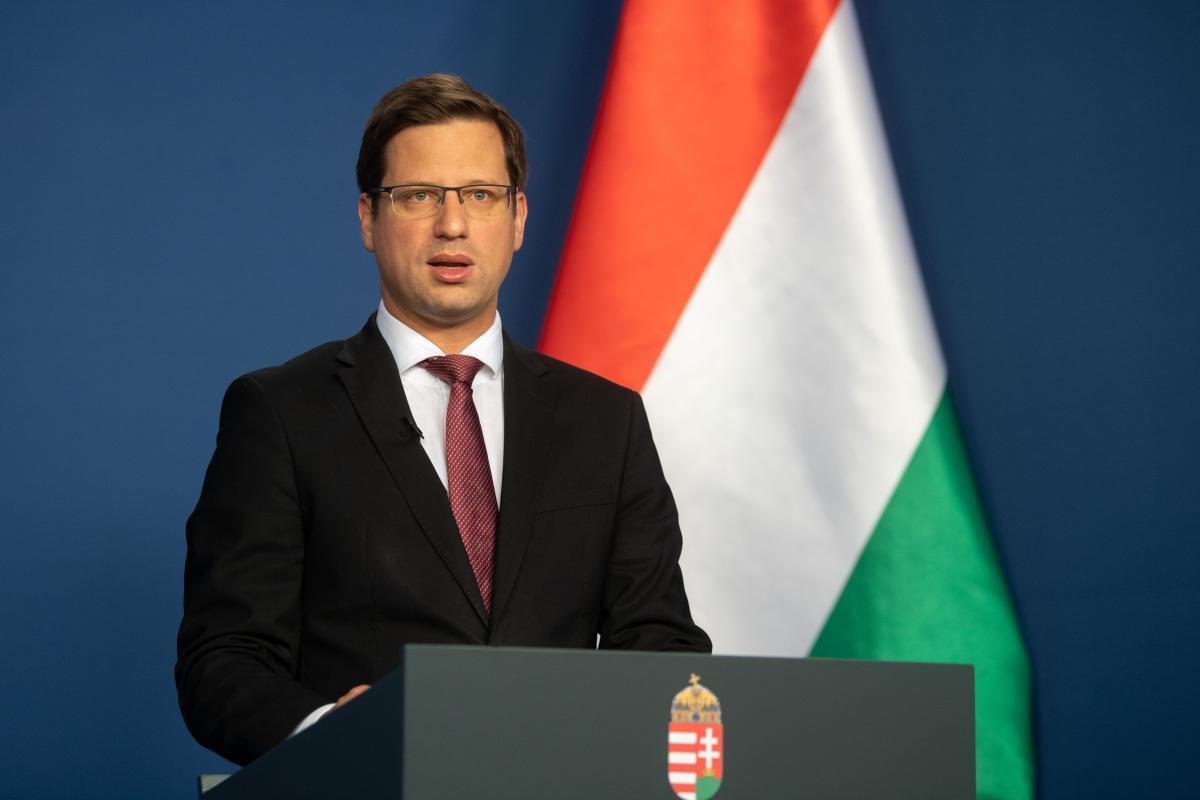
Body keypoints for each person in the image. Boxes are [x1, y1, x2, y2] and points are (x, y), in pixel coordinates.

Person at [175, 74, 710, 766]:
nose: (451, 225)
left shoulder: (606, 420)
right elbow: (224, 661)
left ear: (518, 219)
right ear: (368, 219)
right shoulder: (280, 412)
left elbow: (661, 646)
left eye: (480, 195)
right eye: (418, 195)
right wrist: (332, 733)